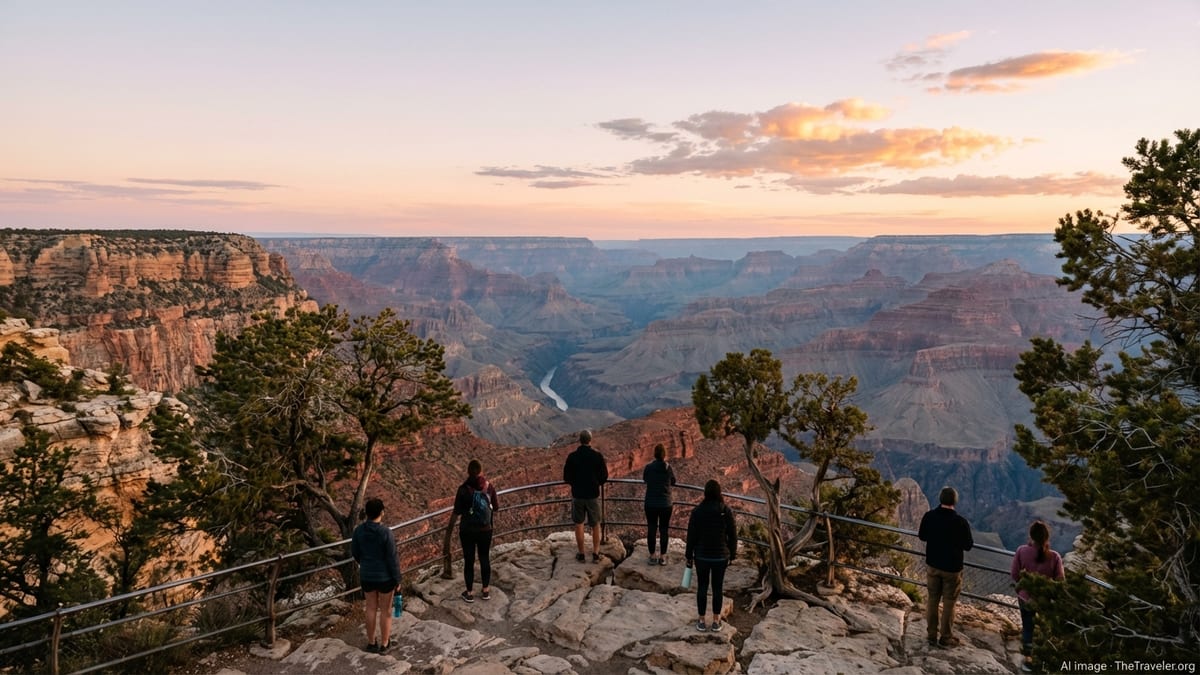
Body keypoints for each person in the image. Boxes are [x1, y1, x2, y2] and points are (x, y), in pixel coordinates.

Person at [918, 486, 974, 648]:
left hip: (933, 565)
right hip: (952, 569)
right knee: (949, 602)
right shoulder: (961, 522)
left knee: (933, 599)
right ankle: (946, 636)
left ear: (940, 499)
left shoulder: (929, 516)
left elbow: (922, 536)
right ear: (955, 501)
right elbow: (968, 545)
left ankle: (931, 635)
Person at [1010, 520, 1064, 672]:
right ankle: (1044, 659)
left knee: (1028, 627)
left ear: (1031, 535)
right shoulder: (1055, 557)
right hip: (1045, 600)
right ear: (1047, 537)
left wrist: (1024, 587)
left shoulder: (1021, 551)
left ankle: (1028, 661)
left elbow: (1014, 574)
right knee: (1044, 628)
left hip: (1025, 597)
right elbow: (1060, 580)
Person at [685, 479, 737, 633]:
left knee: (702, 587)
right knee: (717, 588)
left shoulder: (697, 511)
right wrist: (732, 554)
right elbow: (733, 536)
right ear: (719, 493)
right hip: (721, 557)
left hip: (701, 556)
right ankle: (716, 621)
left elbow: (691, 536)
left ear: (705, 493)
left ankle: (701, 621)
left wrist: (689, 555)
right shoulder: (725, 511)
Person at [350, 497, 401, 654]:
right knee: (385, 611)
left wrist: (365, 564)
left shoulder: (358, 531)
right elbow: (392, 559)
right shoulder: (386, 533)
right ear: (382, 512)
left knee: (370, 608)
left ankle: (371, 643)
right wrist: (398, 579)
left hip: (367, 575)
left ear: (366, 514)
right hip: (385, 577)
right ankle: (385, 644)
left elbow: (355, 553)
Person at [454, 459, 500, 603]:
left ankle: (469, 593)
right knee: (484, 558)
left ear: (468, 472)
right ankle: (485, 591)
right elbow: (496, 507)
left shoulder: (462, 489)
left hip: (467, 530)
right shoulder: (488, 487)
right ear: (481, 471)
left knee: (469, 561)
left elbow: (457, 510)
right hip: (485, 530)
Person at [562, 429, 609, 563]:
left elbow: (566, 477)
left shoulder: (572, 457)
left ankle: (581, 553)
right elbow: (604, 476)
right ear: (590, 440)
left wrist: (575, 484)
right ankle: (595, 553)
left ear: (580, 441)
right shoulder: (597, 456)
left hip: (578, 495)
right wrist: (596, 483)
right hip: (593, 494)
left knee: (579, 524)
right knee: (595, 524)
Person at [642, 442, 677, 565]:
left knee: (651, 528)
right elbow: (673, 481)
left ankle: (652, 556)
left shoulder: (648, 467)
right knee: (664, 530)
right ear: (664, 454)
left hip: (650, 503)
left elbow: (645, 479)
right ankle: (662, 556)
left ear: (655, 454)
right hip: (665, 504)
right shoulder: (668, 468)